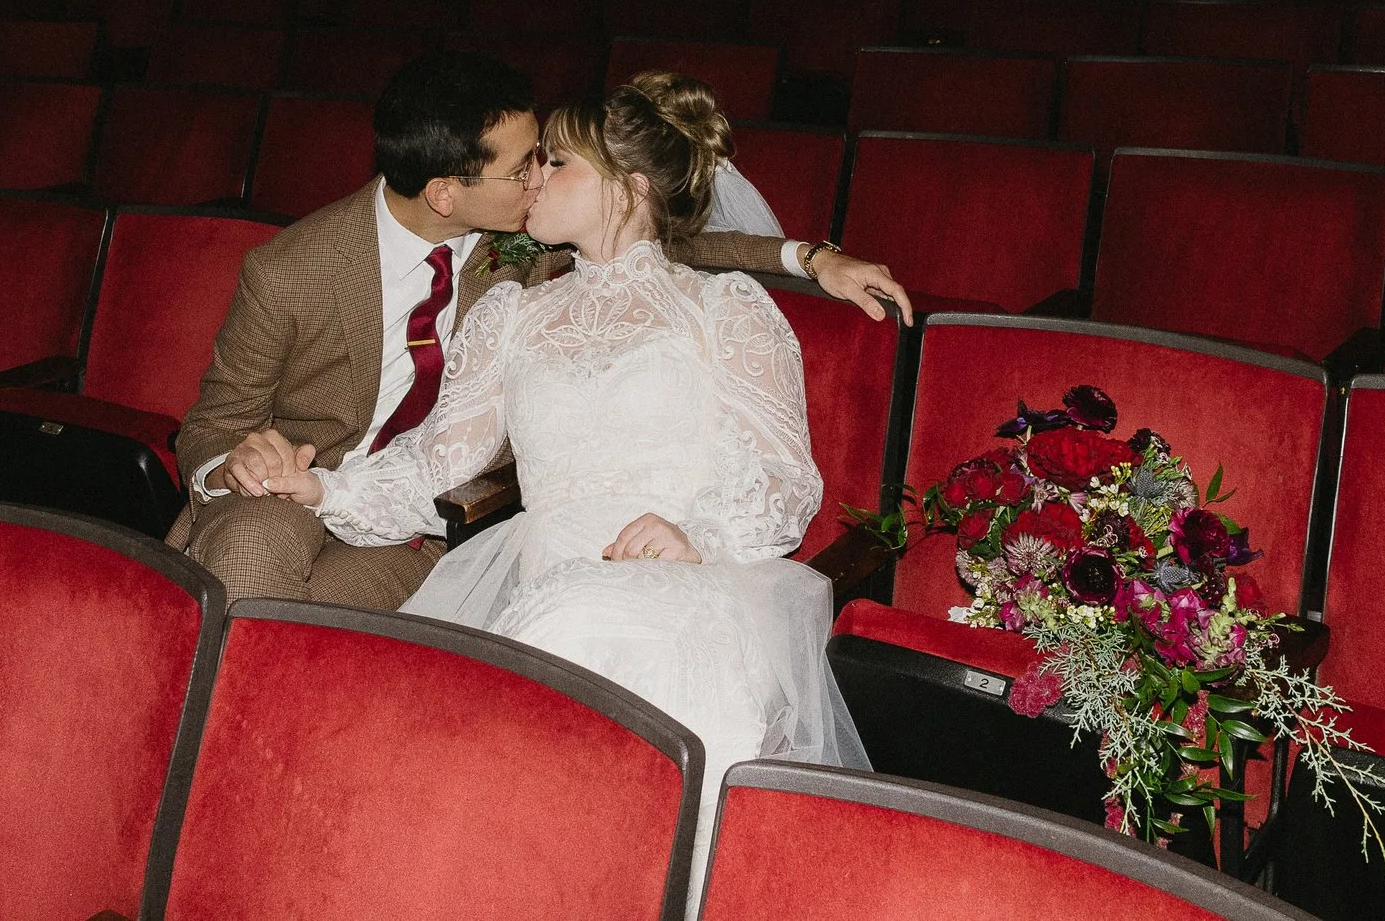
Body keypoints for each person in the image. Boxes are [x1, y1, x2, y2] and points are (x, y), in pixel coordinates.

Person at [266, 74, 867, 899]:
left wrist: (699, 533)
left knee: (576, 661)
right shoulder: (510, 314)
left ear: (631, 189)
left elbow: (782, 476)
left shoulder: (722, 309)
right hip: (540, 576)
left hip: (691, 586)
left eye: (558, 162)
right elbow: (440, 461)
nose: (533, 178)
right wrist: (324, 491)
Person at [166, 51, 909, 609]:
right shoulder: (294, 270)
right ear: (446, 192)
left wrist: (810, 257)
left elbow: (669, 241)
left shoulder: (535, 248)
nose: (536, 182)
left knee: (308, 636)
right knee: (250, 550)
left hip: (448, 533)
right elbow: (215, 426)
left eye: (550, 162)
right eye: (526, 166)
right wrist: (268, 473)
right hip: (319, 484)